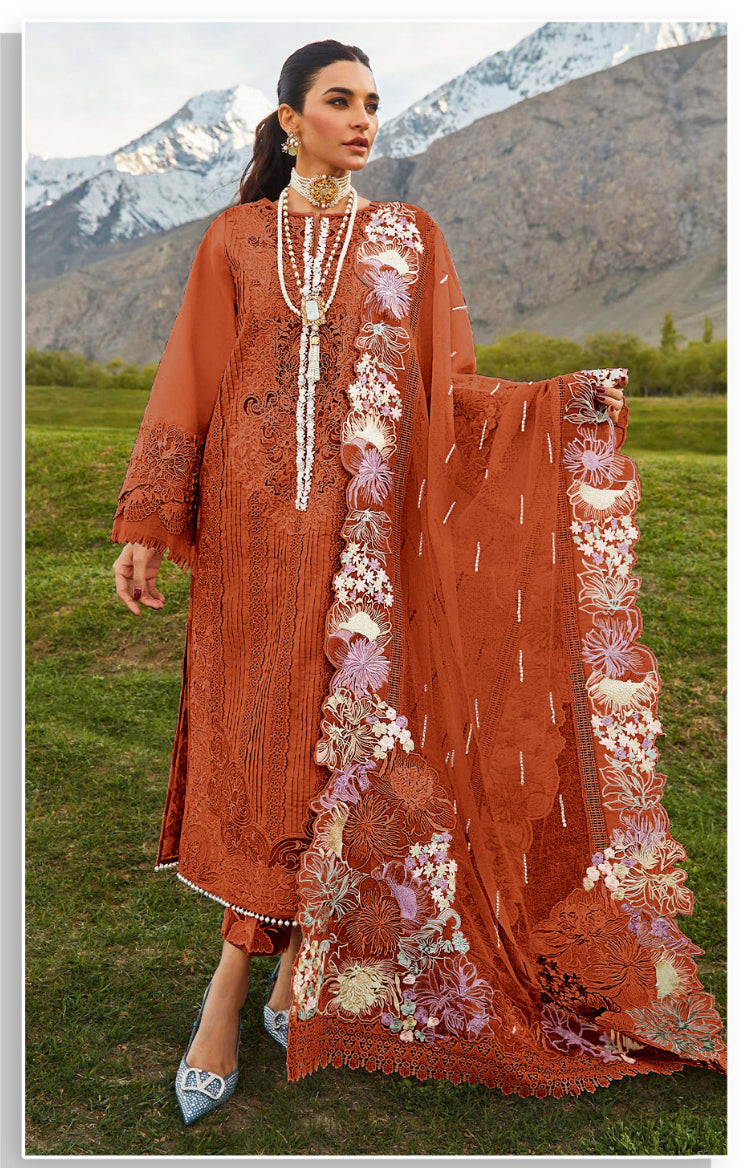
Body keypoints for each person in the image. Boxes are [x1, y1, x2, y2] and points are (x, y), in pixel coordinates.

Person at [111, 39, 725, 1125]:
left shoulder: (409, 236)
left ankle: (229, 994)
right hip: (249, 542)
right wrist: (148, 522)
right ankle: (287, 976)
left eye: (372, 103)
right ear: (290, 120)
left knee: (327, 754)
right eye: (338, 101)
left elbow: (449, 394)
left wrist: (556, 409)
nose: (362, 120)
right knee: (258, 753)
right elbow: (189, 379)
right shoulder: (235, 238)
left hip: (363, 545)